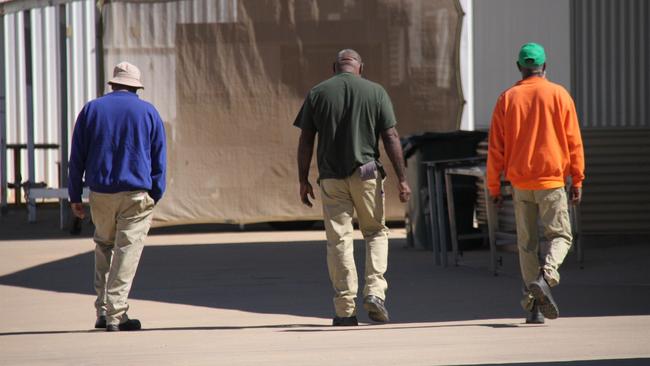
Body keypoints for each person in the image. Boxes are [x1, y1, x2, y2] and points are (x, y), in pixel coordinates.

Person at [294, 49, 411, 326]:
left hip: (332, 178)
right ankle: (375, 293)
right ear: (361, 67)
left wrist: (303, 179)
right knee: (375, 232)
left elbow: (306, 140)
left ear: (334, 67)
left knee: (339, 240)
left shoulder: (318, 93)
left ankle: (345, 310)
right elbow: (391, 136)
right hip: (368, 174)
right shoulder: (376, 92)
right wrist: (402, 178)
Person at [487, 43, 585, 324]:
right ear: (545, 67)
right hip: (552, 182)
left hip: (521, 185)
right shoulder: (559, 95)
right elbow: (574, 142)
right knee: (561, 236)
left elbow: (496, 149)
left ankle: (534, 308)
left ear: (519, 67)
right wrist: (577, 179)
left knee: (527, 244)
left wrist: (493, 187)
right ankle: (547, 277)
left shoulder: (507, 99)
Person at [68, 61, 166, 332]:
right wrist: (155, 192)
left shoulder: (91, 110)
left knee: (104, 246)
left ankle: (102, 309)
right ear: (136, 87)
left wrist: (74, 194)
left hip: (100, 193)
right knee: (126, 251)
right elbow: (159, 159)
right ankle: (116, 314)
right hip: (136, 194)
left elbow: (77, 157)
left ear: (113, 84)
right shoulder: (148, 112)